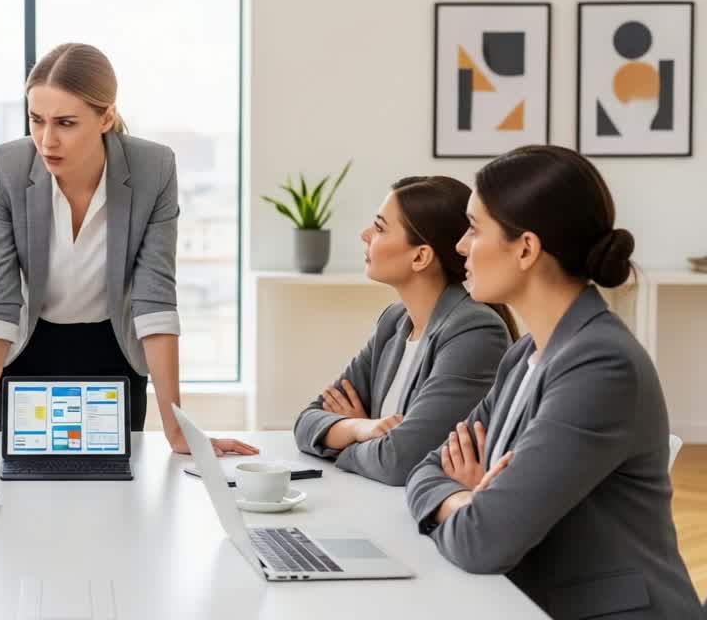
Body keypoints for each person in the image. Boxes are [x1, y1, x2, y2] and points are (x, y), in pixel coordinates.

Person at [0, 43, 256, 457]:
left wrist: (179, 432)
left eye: (66, 123)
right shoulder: (5, 168)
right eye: (37, 120)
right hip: (28, 348)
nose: (47, 140)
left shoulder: (153, 168)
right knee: (22, 486)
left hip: (113, 350)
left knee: (117, 490)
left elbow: (154, 300)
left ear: (106, 117)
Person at [405, 145, 700, 618]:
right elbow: (423, 468)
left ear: (526, 248)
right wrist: (467, 500)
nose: (460, 245)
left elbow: (483, 541)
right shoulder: (526, 352)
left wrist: (462, 501)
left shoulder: (601, 366)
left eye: (474, 228)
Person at [294, 176, 513, 485]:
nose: (365, 235)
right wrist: (363, 429)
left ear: (420, 256)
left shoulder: (475, 331)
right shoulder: (394, 321)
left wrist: (346, 440)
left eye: (380, 228)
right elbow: (307, 421)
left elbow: (401, 460)